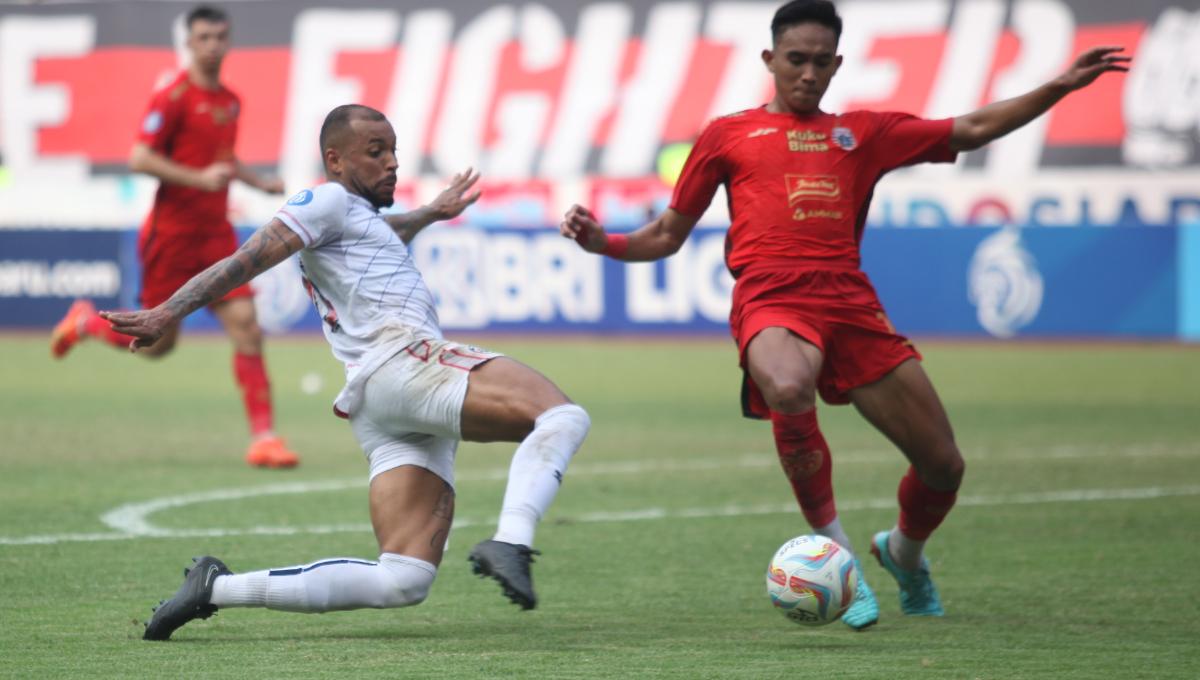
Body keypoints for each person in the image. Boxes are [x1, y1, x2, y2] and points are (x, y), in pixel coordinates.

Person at [560, 0, 1127, 630]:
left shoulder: (864, 133)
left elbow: (967, 129)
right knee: (787, 384)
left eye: (820, 62)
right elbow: (666, 234)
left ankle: (904, 552)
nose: (807, 73)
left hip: (851, 305)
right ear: (770, 60)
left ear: (837, 64)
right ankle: (844, 563)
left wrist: (1058, 87)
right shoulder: (728, 135)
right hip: (771, 297)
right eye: (795, 60)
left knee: (944, 465)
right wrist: (601, 242)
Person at [104, 103, 591, 641]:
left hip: (381, 400)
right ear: (335, 160)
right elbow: (249, 257)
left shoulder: (357, 218)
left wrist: (429, 212)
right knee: (561, 416)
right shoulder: (326, 199)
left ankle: (215, 589)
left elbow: (384, 232)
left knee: (402, 579)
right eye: (376, 152)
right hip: (405, 364)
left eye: (394, 151)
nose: (393, 163)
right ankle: (513, 540)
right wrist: (169, 310)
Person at [49, 5, 298, 468]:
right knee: (159, 345)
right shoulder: (173, 97)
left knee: (247, 326)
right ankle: (85, 323)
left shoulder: (230, 100)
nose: (213, 46)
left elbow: (223, 158)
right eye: (203, 38)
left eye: (220, 37)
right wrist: (197, 178)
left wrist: (256, 181)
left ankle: (264, 438)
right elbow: (140, 158)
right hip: (173, 238)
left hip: (217, 236)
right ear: (189, 43)